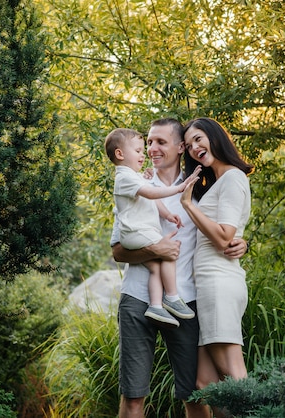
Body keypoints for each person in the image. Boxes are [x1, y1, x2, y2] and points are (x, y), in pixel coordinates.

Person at [110, 118, 247, 418]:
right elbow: (118, 251)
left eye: (160, 142)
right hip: (137, 299)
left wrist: (242, 243)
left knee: (196, 394)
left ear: (180, 146)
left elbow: (222, 227)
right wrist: (153, 249)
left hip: (187, 302)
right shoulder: (135, 183)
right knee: (133, 398)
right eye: (148, 142)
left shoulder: (199, 187)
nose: (152, 148)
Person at [180, 117, 253, 417]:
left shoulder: (233, 177)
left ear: (214, 136)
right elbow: (230, 234)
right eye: (188, 145)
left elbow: (224, 237)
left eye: (199, 139)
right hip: (208, 286)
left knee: (234, 375)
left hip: (219, 283)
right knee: (206, 382)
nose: (195, 148)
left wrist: (189, 205)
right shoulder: (217, 183)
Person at [105, 128, 201, 327]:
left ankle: (157, 305)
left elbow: (152, 199)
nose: (147, 152)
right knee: (167, 253)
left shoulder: (139, 178)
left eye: (161, 142)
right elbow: (151, 194)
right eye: (144, 146)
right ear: (120, 154)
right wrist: (179, 189)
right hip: (135, 284)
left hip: (189, 292)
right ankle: (171, 297)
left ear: (180, 147)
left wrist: (167, 215)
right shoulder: (127, 178)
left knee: (157, 266)